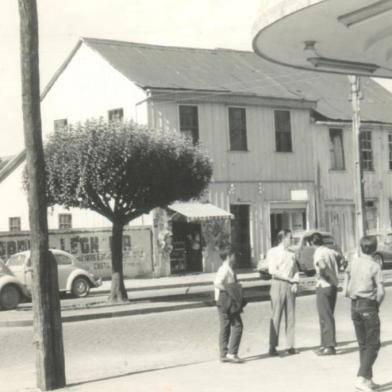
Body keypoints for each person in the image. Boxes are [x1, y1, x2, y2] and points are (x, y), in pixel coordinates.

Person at [343, 236, 385, 392]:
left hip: (354, 306)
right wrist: (376, 306)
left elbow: (345, 288)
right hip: (368, 306)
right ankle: (361, 378)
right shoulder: (375, 266)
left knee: (363, 345)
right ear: (375, 249)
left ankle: (368, 379)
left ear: (360, 248)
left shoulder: (353, 263)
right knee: (373, 344)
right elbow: (381, 292)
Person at [267, 229, 300, 356]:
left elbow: (296, 269)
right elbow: (272, 271)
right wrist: (289, 279)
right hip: (278, 284)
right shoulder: (273, 252)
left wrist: (295, 282)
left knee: (291, 316)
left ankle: (290, 345)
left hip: (290, 286)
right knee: (276, 315)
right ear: (283, 238)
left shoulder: (292, 253)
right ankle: (272, 346)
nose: (292, 240)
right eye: (290, 237)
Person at [310, 232, 340, 356]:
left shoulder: (318, 253)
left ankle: (329, 346)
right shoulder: (329, 251)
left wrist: (321, 274)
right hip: (333, 286)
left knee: (325, 316)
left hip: (324, 285)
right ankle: (325, 344)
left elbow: (321, 265)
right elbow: (341, 257)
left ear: (311, 243)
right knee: (328, 315)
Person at [214, 246, 245, 363]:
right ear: (229, 256)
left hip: (223, 301)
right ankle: (232, 353)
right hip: (226, 301)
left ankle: (223, 353)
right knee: (237, 326)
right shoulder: (225, 269)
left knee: (225, 326)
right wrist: (230, 291)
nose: (235, 257)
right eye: (233, 255)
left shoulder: (228, 268)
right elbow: (217, 283)